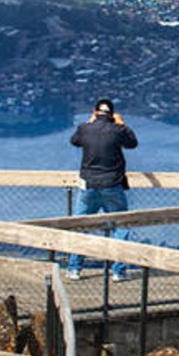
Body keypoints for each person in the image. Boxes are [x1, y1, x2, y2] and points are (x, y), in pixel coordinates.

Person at [66, 98, 138, 282]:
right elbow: (132, 143)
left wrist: (90, 123)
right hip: (112, 185)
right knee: (120, 227)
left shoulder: (85, 128)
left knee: (80, 226)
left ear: (95, 111)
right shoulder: (118, 130)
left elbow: (75, 141)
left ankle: (74, 269)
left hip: (88, 186)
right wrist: (121, 123)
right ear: (113, 114)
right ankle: (118, 271)